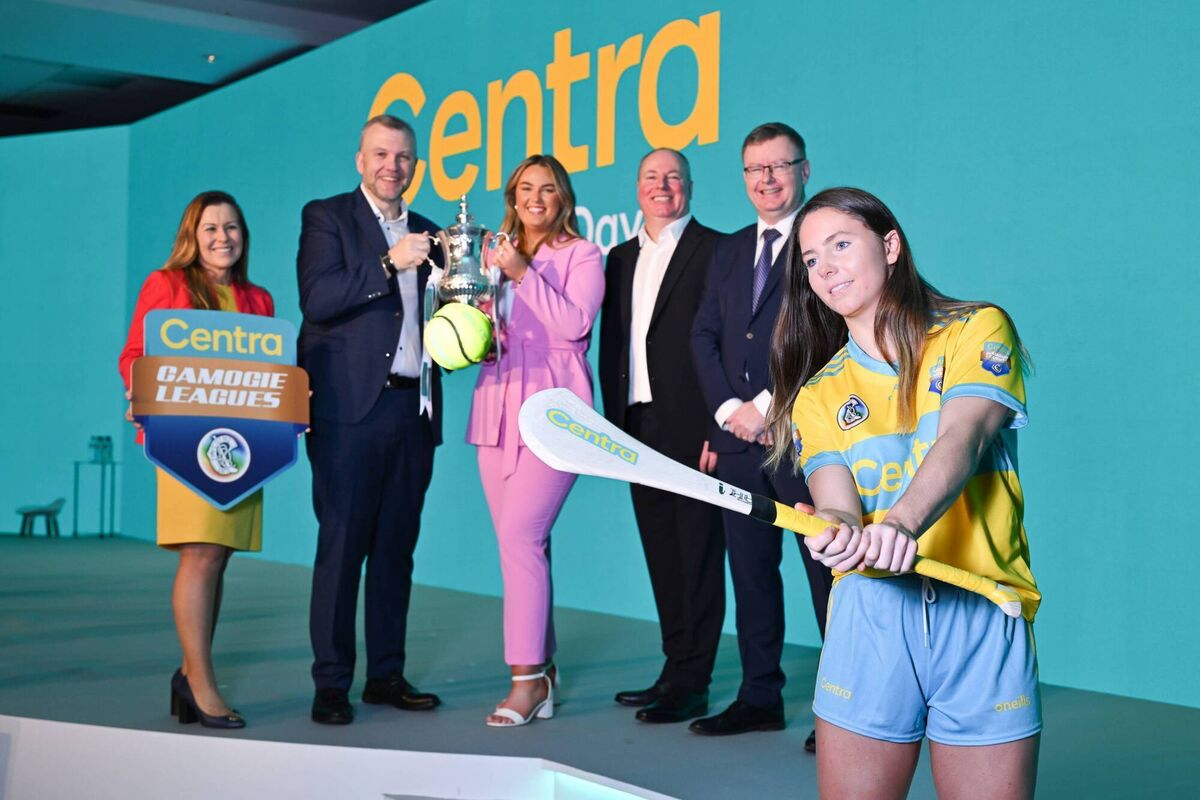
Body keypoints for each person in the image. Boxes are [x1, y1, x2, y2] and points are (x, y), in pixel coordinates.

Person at [767, 187, 1041, 797]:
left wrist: (899, 524)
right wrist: (835, 533)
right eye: (811, 259)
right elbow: (836, 500)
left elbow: (965, 437)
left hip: (981, 613)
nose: (826, 267)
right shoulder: (817, 396)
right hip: (870, 621)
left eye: (841, 244)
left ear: (890, 246)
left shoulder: (976, 330)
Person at [297, 114, 444, 725]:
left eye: (404, 157)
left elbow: (447, 323)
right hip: (348, 411)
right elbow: (319, 299)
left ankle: (385, 674)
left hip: (414, 408)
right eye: (381, 154)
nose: (393, 166)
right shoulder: (327, 217)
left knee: (395, 551)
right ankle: (331, 682)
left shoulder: (434, 232)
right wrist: (388, 263)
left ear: (416, 164)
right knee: (342, 547)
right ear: (361, 160)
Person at [690, 123, 834, 745]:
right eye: (755, 169)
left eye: (780, 166)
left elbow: (829, 335)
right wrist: (727, 412)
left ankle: (842, 711)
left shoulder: (825, 243)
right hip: (737, 445)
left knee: (827, 577)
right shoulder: (727, 251)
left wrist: (768, 405)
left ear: (805, 171)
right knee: (750, 575)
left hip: (803, 442)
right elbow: (704, 337)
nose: (767, 179)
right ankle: (759, 697)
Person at [118, 190, 274, 729]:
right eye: (210, 228)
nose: (222, 238)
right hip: (186, 440)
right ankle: (203, 685)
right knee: (201, 552)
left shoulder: (259, 299)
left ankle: (189, 677)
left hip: (246, 444)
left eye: (232, 227)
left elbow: (270, 368)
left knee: (219, 555)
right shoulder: (167, 285)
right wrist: (140, 399)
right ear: (192, 235)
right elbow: (136, 355)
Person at [466, 154, 604, 727]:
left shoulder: (583, 253)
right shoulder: (490, 255)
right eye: (526, 189)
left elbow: (573, 326)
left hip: (555, 410)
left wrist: (523, 270)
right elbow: (483, 328)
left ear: (563, 198)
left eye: (548, 189)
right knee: (520, 546)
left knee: (521, 539)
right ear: (513, 196)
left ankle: (523, 681)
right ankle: (542, 672)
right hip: (496, 405)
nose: (536, 198)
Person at [598, 148, 725, 724]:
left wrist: (713, 428)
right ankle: (673, 668)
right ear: (637, 188)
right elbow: (613, 346)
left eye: (673, 176)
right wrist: (611, 426)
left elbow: (718, 346)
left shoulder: (716, 250)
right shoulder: (619, 257)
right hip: (637, 426)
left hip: (693, 429)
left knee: (698, 554)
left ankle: (693, 682)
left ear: (690, 188)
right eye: (651, 176)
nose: (662, 185)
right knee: (662, 554)